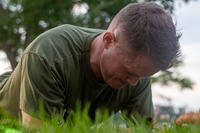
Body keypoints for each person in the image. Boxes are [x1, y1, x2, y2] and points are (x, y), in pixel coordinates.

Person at [0, 2, 180, 128]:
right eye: (128, 72)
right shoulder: (49, 55)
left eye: (140, 76)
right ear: (108, 40)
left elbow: (143, 129)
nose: (133, 82)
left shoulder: (137, 77)